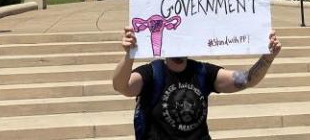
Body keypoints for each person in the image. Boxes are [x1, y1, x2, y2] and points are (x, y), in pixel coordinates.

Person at [112, 27, 282, 140]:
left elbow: (247, 80)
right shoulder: (152, 73)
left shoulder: (202, 72)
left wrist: (267, 58)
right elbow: (122, 86)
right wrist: (129, 55)